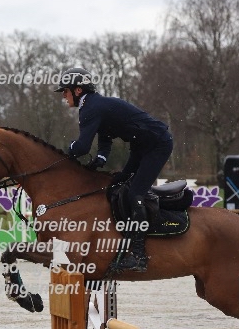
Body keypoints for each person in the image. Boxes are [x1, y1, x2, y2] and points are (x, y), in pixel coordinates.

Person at [55, 67, 173, 272]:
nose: (64, 96)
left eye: (65, 91)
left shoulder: (90, 108)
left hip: (156, 145)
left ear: (78, 90)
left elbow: (82, 147)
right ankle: (123, 240)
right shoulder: (94, 105)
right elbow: (105, 135)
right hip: (142, 146)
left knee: (135, 193)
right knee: (117, 184)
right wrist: (100, 157)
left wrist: (63, 155)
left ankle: (139, 256)